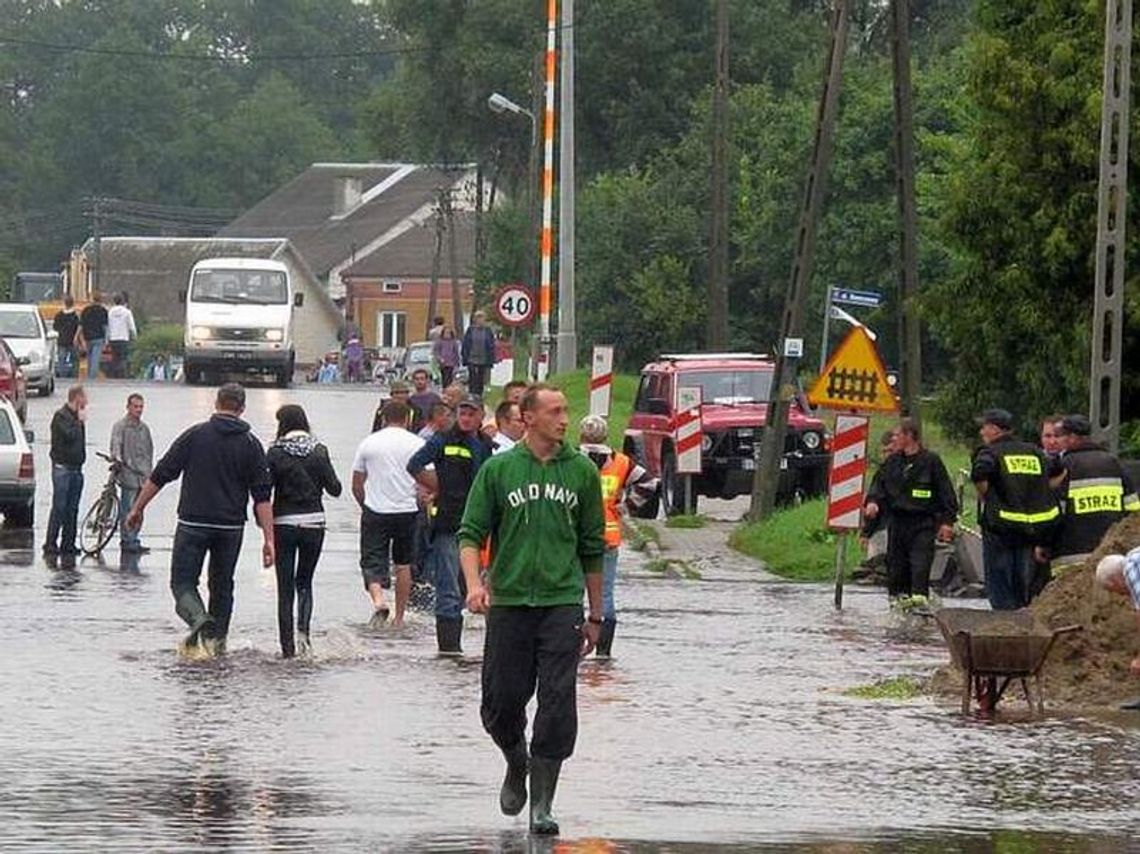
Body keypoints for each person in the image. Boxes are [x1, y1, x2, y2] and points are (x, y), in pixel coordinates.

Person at [458, 383, 605, 835]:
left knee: (558, 703)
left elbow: (593, 546)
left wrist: (596, 615)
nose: (565, 419)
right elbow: (470, 533)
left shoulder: (581, 471)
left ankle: (542, 803)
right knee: (502, 701)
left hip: (561, 603)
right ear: (527, 418)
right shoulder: (500, 470)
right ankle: (514, 760)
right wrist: (474, 586)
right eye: (555, 411)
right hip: (509, 603)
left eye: (566, 411)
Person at [126, 384, 275, 657]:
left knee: (182, 582)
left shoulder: (195, 435)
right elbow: (262, 497)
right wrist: (269, 540)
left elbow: (161, 474)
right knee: (222, 585)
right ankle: (216, 645)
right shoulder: (252, 445)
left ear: (216, 402)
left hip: (193, 523)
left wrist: (137, 508)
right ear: (242, 408)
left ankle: (197, 619)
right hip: (230, 528)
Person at [408, 393, 491, 653]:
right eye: (462, 413)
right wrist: (437, 486)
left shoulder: (487, 445)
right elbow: (415, 464)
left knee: (477, 585)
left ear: (480, 417)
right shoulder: (443, 439)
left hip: (480, 524)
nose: (465, 419)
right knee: (449, 589)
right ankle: (449, 651)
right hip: (450, 522)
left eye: (471, 414)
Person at [578, 414, 657, 656]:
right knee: (605, 593)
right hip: (607, 537)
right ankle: (603, 653)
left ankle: (574, 649)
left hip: (575, 537)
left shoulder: (572, 458)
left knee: (572, 592)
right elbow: (650, 483)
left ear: (581, 435)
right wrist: (626, 508)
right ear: (605, 436)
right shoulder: (620, 462)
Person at [266, 404, 342, 658]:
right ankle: (304, 639)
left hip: (284, 523)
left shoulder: (275, 453)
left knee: (284, 587)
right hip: (314, 523)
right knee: (305, 583)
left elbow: (265, 491)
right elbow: (335, 489)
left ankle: (286, 649)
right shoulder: (319, 451)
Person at [971, 408, 1060, 610]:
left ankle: (1004, 626)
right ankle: (1021, 621)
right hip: (1030, 530)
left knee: (1000, 586)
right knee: (1023, 585)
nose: (981, 432)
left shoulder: (991, 452)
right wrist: (1044, 492)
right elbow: (1059, 469)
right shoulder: (1034, 451)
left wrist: (989, 497)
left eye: (984, 427)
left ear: (994, 429)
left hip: (1000, 528)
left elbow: (979, 473)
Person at [863, 418, 958, 606]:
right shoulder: (892, 462)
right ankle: (898, 611)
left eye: (897, 435)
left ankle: (920, 610)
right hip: (897, 524)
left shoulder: (931, 462)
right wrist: (872, 506)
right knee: (896, 570)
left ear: (909, 436)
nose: (894, 439)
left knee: (920, 566)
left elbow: (946, 494)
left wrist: (947, 522)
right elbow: (878, 489)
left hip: (923, 524)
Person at [351, 399, 425, 629]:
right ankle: (400, 617)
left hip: (376, 510)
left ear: (383, 417)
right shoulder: (418, 443)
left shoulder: (369, 443)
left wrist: (366, 505)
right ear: (407, 418)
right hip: (407, 511)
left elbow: (356, 483)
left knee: (372, 560)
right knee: (403, 564)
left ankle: (379, 600)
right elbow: (428, 480)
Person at [1044, 414, 1140, 573]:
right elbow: (1134, 510)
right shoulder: (1112, 462)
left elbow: (1054, 515)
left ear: (1072, 437)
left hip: (1070, 560)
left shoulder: (1063, 467)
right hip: (1111, 559)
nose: (1056, 441)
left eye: (1060, 436)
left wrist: (1044, 544)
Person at [44, 384, 88, 567]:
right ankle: (51, 542)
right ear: (76, 398)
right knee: (60, 506)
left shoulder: (77, 418)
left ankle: (68, 543)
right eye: (84, 398)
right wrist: (79, 421)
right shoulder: (61, 416)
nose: (86, 402)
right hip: (62, 467)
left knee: (72, 508)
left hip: (76, 467)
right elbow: (69, 436)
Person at [109, 393, 154, 554]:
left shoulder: (144, 429)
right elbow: (116, 444)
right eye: (135, 406)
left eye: (141, 407)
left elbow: (149, 451)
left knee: (139, 509)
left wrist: (149, 473)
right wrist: (118, 459)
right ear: (128, 407)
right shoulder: (120, 426)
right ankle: (127, 540)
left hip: (143, 476)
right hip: (128, 474)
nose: (138, 410)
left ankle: (134, 538)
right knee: (128, 508)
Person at [1095, 551, 1140, 676]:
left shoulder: (1131, 568)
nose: (1123, 595)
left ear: (1114, 581)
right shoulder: (1135, 554)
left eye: (1116, 591)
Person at [461, 311, 496, 396]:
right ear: (475, 320)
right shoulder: (470, 330)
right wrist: (464, 356)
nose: (480, 321)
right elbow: (465, 344)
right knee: (472, 376)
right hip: (471, 358)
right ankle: (472, 393)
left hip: (484, 358)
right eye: (478, 318)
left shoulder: (488, 331)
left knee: (481, 377)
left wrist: (492, 358)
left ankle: (479, 394)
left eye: (482, 318)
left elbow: (492, 344)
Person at [78, 292, 109, 380]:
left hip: (87, 337)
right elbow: (105, 327)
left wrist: (80, 338)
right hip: (99, 337)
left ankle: (89, 375)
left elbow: (81, 325)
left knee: (89, 358)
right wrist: (106, 340)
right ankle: (92, 377)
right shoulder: (103, 311)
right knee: (95, 358)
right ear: (100, 300)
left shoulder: (86, 310)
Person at [106, 293, 137, 379]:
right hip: (123, 338)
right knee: (123, 358)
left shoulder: (110, 312)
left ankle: (114, 375)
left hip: (113, 338)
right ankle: (122, 375)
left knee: (114, 358)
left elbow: (108, 326)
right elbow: (131, 326)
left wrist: (107, 338)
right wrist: (134, 336)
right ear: (122, 301)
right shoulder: (127, 312)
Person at [52, 295, 81, 378]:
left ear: (64, 303)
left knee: (62, 360)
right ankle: (74, 376)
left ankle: (62, 376)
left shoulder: (59, 315)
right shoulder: (75, 316)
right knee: (75, 359)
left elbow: (55, 327)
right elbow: (78, 327)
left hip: (62, 341)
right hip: (73, 341)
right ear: (72, 303)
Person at [408, 368, 442, 434]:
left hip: (431, 431)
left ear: (427, 380)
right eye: (417, 379)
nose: (419, 381)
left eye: (422, 379)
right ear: (413, 381)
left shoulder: (435, 398)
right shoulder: (410, 399)